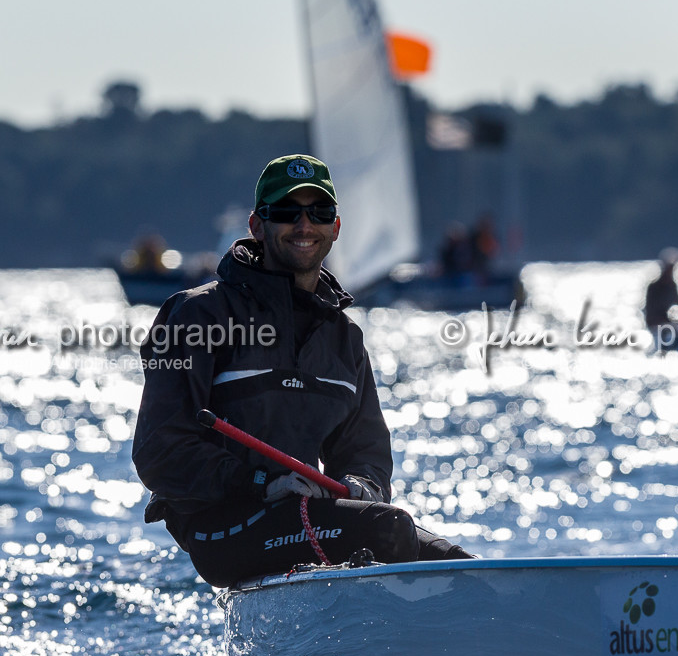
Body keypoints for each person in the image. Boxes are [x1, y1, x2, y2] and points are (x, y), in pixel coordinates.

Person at [132, 154, 472, 587]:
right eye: (286, 212)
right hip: (220, 528)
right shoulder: (197, 315)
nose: (304, 225)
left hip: (301, 517)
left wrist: (361, 484)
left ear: (336, 227)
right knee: (386, 530)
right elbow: (159, 450)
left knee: (461, 566)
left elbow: (364, 450)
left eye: (319, 212)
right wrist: (261, 482)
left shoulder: (344, 337)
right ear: (257, 226)